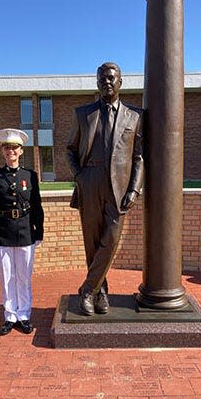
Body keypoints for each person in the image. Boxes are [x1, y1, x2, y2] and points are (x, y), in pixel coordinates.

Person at [66, 62, 144, 316]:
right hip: (89, 183)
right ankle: (101, 294)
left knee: (110, 240)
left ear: (120, 81)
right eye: (102, 78)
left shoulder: (135, 116)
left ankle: (87, 289)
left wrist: (134, 190)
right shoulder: (84, 114)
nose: (106, 82)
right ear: (97, 82)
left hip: (119, 190)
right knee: (92, 243)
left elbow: (139, 158)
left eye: (111, 78)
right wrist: (79, 176)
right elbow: (70, 149)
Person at [0, 128, 44, 335]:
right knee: (7, 277)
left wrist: (39, 231)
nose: (11, 151)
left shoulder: (30, 176)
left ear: (21, 151)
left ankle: (24, 315)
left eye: (15, 147)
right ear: (3, 151)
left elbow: (37, 205)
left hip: (26, 231)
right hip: (2, 232)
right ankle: (10, 316)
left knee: (24, 276)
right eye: (7, 147)